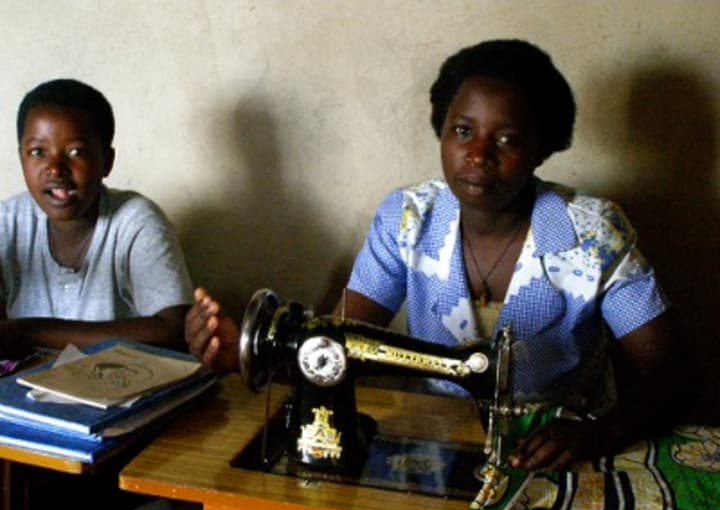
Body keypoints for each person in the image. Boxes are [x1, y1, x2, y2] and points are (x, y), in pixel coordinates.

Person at [185, 39, 692, 473]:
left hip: (563, 451)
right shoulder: (407, 219)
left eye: (508, 139)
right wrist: (241, 353)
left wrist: (600, 434)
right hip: (436, 441)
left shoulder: (593, 233)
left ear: (543, 148)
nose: (478, 154)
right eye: (463, 131)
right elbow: (335, 347)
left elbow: (673, 375)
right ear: (441, 131)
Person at [0, 78, 194, 356]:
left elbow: (174, 331)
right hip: (27, 392)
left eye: (76, 152)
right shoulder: (10, 221)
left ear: (107, 160)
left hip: (120, 392)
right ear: (21, 159)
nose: (55, 168)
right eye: (38, 152)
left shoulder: (135, 221)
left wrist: (28, 331)